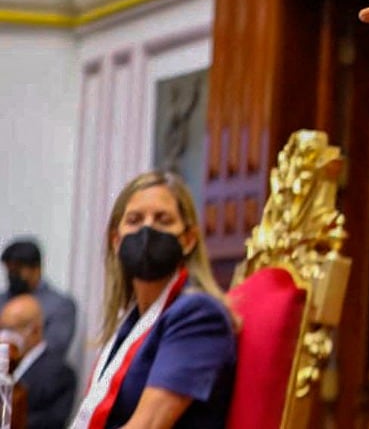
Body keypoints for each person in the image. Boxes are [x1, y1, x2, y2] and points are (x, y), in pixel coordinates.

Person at [70, 172, 237, 429]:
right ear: (117, 241)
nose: (147, 230)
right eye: (135, 220)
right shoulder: (132, 321)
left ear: (188, 240)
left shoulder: (199, 315)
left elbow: (147, 426)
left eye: (163, 220)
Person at [0, 294, 77, 429]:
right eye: (2, 328)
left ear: (34, 330)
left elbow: (51, 422)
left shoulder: (60, 373)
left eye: (11, 329)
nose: (4, 336)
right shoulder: (5, 365)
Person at [2, 239, 78, 362]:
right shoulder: (2, 300)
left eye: (17, 270)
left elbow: (54, 349)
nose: (12, 276)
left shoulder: (60, 306)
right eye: (9, 270)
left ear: (36, 269)